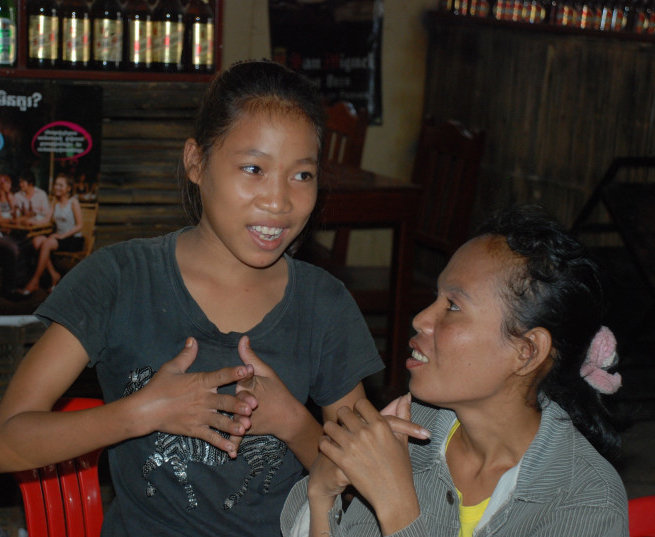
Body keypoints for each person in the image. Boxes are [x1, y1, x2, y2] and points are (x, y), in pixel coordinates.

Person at [0, 60, 383, 537]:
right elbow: (8, 441)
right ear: (196, 162)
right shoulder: (118, 279)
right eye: (253, 169)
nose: (279, 201)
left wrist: (293, 423)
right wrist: (143, 411)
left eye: (302, 175)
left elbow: (368, 490)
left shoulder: (324, 304)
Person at [282, 205, 629, 537]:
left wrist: (396, 506)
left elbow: (395, 508)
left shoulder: (586, 502)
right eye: (436, 297)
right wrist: (322, 494)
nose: (421, 319)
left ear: (526, 352)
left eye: (453, 306)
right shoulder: (407, 434)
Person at [18, 172, 84, 295]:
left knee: (47, 243)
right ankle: (54, 274)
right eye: (56, 185)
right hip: (58, 238)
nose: (56, 187)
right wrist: (32, 222)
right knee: (37, 241)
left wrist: (62, 236)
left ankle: (35, 281)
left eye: (60, 185)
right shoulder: (55, 202)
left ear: (68, 188)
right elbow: (46, 219)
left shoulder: (73, 202)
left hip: (73, 239)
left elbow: (80, 225)